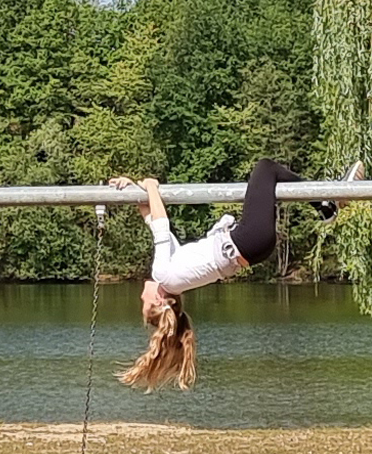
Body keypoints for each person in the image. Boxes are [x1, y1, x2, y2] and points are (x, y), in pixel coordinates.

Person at [117, 156, 292, 390]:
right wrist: (150, 185)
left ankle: (326, 204)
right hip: (248, 240)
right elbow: (161, 225)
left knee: (267, 176)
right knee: (265, 168)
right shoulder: (164, 276)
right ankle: (326, 202)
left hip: (251, 247)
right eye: (145, 303)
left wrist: (133, 190)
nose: (141, 296)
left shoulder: (172, 277)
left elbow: (154, 223)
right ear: (161, 300)